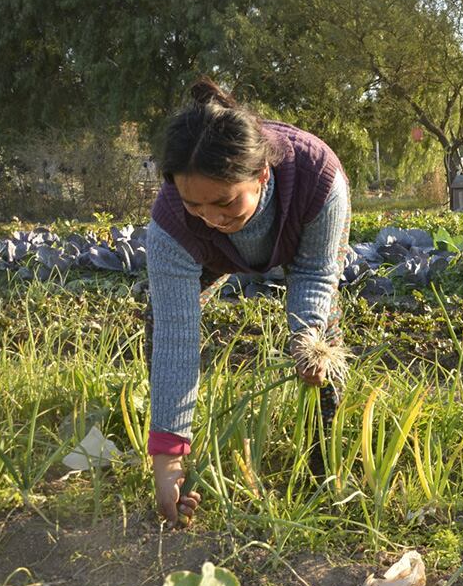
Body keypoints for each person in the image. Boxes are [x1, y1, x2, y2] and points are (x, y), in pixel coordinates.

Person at [144, 77, 351, 526]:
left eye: (223, 202)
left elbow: (315, 271)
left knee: (324, 348)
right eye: (195, 206)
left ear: (260, 175)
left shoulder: (320, 180)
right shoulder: (173, 224)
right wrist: (167, 456)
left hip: (298, 241)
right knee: (161, 326)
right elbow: (178, 339)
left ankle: (322, 472)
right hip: (210, 260)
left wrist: (307, 337)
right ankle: (183, 463)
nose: (212, 218)